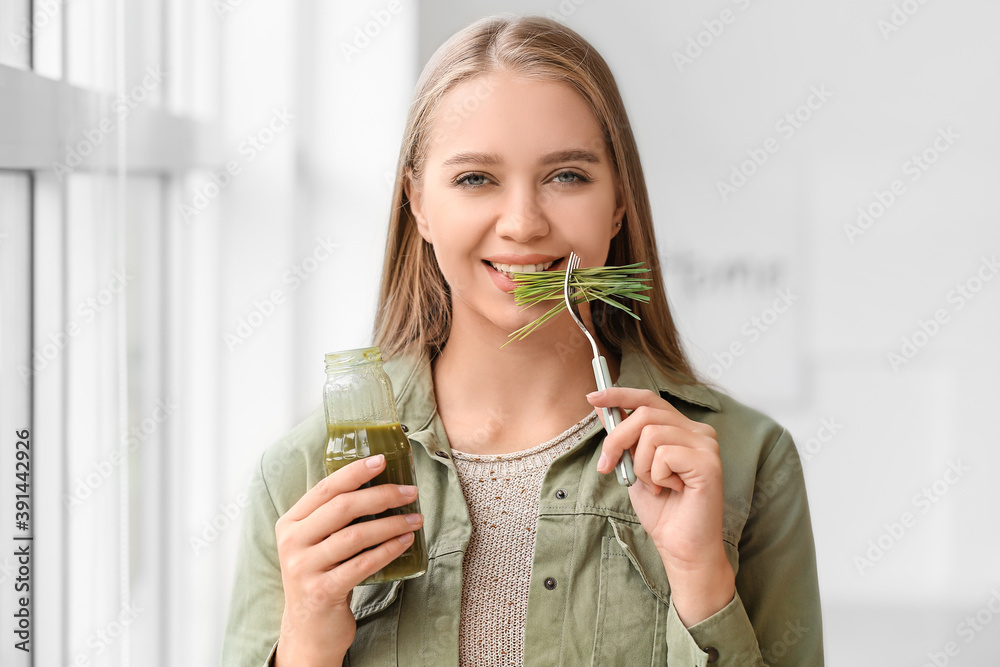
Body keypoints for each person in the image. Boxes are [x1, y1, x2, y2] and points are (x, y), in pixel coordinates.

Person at [222, 14, 823, 667]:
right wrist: (305, 642)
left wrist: (701, 580)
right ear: (418, 202)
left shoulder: (749, 464)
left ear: (618, 203)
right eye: (476, 178)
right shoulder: (300, 475)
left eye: (566, 175)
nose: (523, 223)